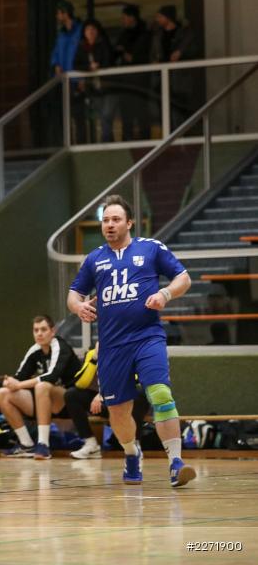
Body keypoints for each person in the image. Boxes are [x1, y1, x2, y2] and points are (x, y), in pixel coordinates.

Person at [68, 194, 195, 487]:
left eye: (116, 219)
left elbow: (184, 278)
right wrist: (78, 307)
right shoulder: (94, 259)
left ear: (129, 223)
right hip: (112, 346)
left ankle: (176, 462)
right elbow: (74, 294)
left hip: (147, 337)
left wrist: (165, 294)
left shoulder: (150, 248)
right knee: (118, 410)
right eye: (105, 220)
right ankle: (131, 452)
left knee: (160, 394)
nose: (110, 225)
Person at [0, 315, 78, 458]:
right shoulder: (35, 350)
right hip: (43, 402)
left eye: (43, 329)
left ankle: (43, 445)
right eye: (36, 330)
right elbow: (19, 376)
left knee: (42, 386)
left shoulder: (60, 346)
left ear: (53, 331)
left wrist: (18, 385)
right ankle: (26, 444)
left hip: (69, 401)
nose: (39, 333)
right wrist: (10, 382)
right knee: (1, 393)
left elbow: (51, 376)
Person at [65, 343, 150, 459]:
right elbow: (81, 383)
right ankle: (91, 445)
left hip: (125, 401)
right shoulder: (92, 354)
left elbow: (132, 380)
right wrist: (94, 359)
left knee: (139, 393)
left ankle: (135, 444)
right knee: (72, 395)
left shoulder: (126, 351)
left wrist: (102, 394)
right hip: (103, 405)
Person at [72, 19, 115, 143]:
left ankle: (106, 142)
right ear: (84, 32)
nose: (90, 32)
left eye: (93, 29)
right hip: (93, 88)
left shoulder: (104, 44)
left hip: (108, 86)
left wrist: (99, 65)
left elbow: (109, 60)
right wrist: (89, 67)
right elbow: (76, 65)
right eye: (88, 29)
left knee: (107, 115)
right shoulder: (81, 47)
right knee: (101, 116)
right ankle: (106, 141)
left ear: (98, 31)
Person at [113, 5, 151, 140]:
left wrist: (133, 58)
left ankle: (145, 139)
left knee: (141, 111)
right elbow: (116, 52)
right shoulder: (123, 34)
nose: (123, 20)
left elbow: (148, 55)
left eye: (125, 17)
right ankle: (127, 140)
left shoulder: (145, 35)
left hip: (140, 80)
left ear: (132, 18)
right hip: (125, 81)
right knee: (126, 112)